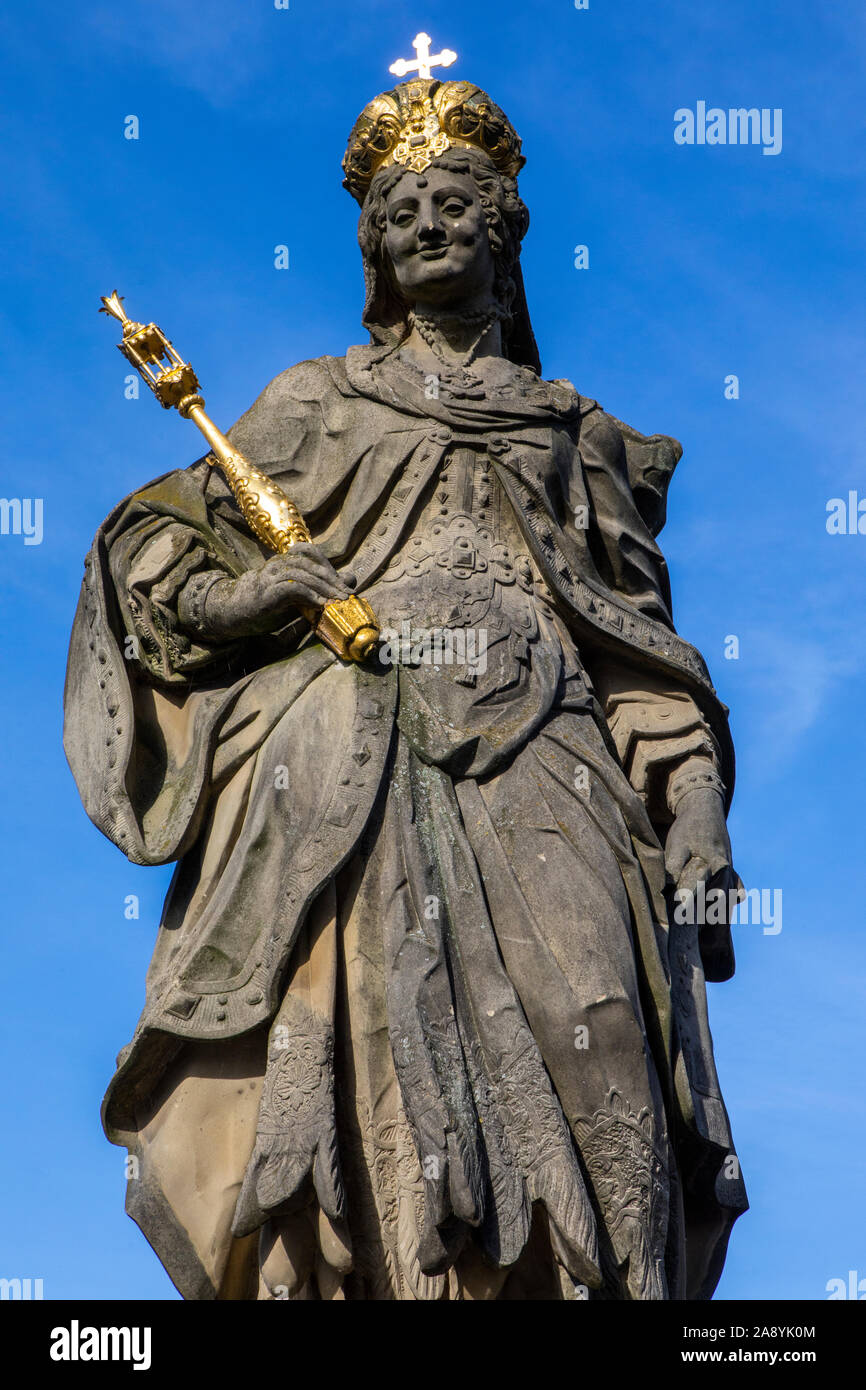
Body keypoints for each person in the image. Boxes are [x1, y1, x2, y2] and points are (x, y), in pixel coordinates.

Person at [64, 74, 747, 1300]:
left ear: (505, 228)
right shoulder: (311, 401)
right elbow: (159, 548)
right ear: (372, 246)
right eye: (397, 209)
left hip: (548, 748)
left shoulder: (572, 432)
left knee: (600, 1027)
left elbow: (642, 654)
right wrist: (257, 598)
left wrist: (694, 813)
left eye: (453, 200)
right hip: (349, 752)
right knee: (348, 1047)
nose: (426, 221)